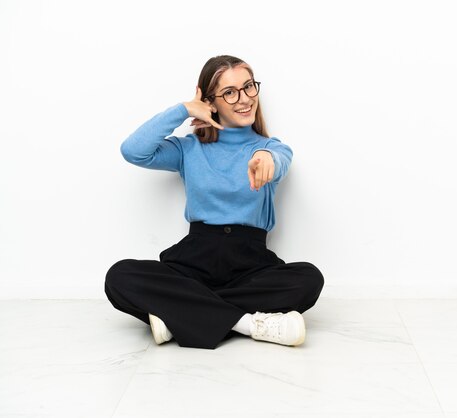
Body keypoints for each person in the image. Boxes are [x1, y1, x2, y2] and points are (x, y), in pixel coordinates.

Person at [104, 55, 324, 350]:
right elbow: (133, 151)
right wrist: (183, 110)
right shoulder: (189, 149)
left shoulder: (270, 147)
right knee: (119, 276)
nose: (244, 99)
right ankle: (249, 324)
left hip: (250, 265)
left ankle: (179, 316)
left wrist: (266, 159)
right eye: (230, 92)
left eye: (249, 87)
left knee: (308, 278)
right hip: (193, 262)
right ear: (211, 102)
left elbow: (280, 161)